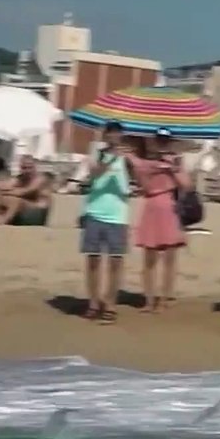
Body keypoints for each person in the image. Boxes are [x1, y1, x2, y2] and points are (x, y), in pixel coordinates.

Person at [126, 131, 190, 314]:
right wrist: (144, 166)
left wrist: (173, 168)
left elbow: (186, 185)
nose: (162, 143)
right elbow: (143, 186)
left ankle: (164, 299)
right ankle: (149, 299)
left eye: (165, 140)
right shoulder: (145, 162)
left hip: (169, 206)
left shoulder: (176, 160)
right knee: (149, 258)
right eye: (159, 140)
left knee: (169, 258)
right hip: (151, 206)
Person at [79, 122, 134, 324]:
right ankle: (93, 302)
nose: (114, 137)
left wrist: (129, 159)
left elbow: (139, 177)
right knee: (93, 260)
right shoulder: (97, 154)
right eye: (110, 134)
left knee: (116, 262)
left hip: (118, 215)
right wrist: (111, 160)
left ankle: (110, 303)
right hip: (95, 211)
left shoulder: (127, 158)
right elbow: (93, 174)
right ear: (105, 136)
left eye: (117, 134)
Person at [0, 155, 53, 226]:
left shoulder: (40, 179)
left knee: (15, 201)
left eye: (30, 167)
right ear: (20, 168)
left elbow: (25, 192)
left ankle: (4, 220)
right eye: (24, 168)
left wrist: (3, 192)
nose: (27, 170)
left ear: (35, 167)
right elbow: (5, 185)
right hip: (24, 210)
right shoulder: (20, 178)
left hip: (38, 212)